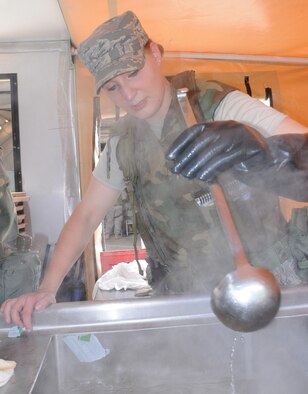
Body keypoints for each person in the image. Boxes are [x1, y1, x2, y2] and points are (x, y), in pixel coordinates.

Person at [1, 10, 307, 331]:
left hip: (262, 287)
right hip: (183, 295)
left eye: (133, 72)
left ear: (156, 54)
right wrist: (46, 289)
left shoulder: (218, 104)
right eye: (112, 87)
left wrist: (260, 152)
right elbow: (88, 215)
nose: (128, 95)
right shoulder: (124, 139)